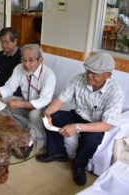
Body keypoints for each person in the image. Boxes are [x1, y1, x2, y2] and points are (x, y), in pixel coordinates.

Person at [36, 52, 124, 186]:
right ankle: (57, 153)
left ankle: (79, 166)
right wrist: (47, 112)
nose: (89, 75)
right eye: (88, 70)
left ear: (108, 75)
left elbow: (107, 125)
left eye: (95, 73)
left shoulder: (115, 93)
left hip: (97, 123)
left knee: (91, 140)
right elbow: (61, 100)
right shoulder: (79, 79)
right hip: (78, 115)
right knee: (53, 117)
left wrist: (76, 127)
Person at [0, 44, 56, 141]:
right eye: (23, 59)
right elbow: (9, 87)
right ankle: (10, 131)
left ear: (40, 60)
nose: (26, 64)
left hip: (41, 107)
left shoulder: (48, 75)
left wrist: (22, 104)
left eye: (31, 60)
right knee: (2, 103)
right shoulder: (19, 68)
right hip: (25, 101)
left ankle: (35, 140)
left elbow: (44, 100)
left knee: (34, 115)